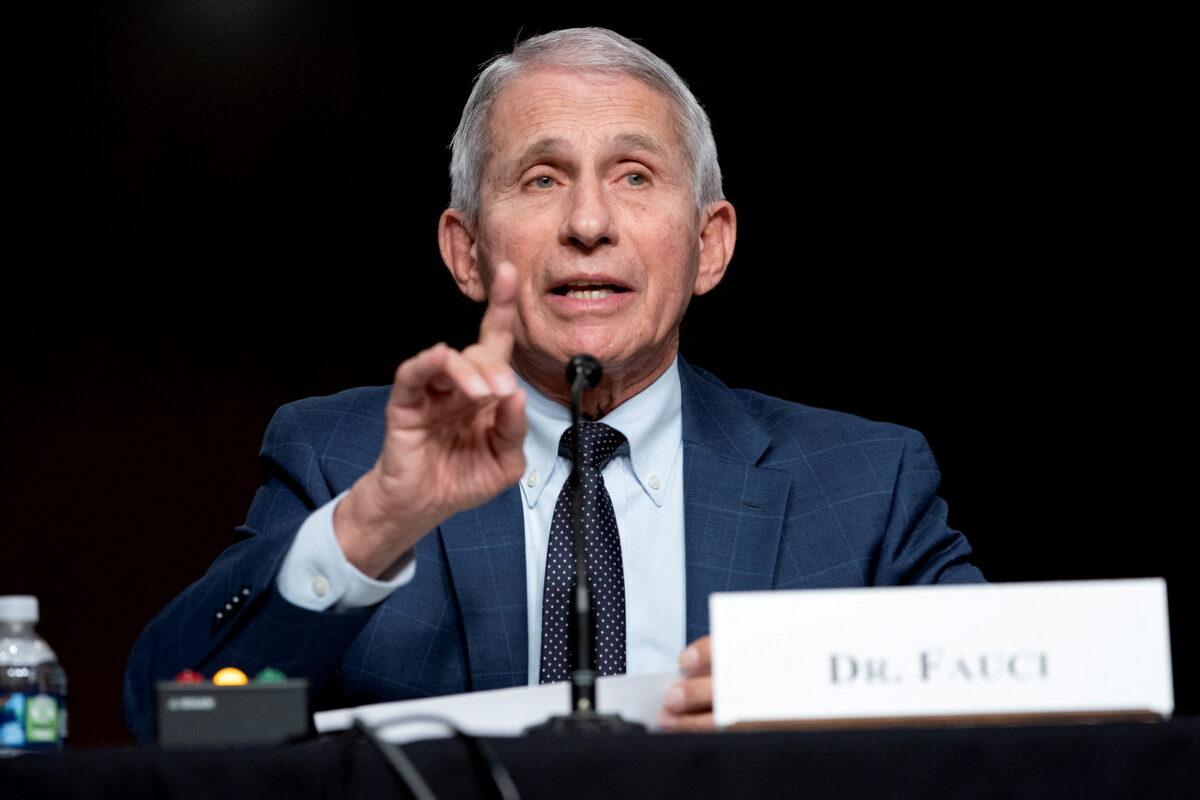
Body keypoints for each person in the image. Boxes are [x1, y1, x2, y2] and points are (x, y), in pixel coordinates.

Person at [123, 27, 983, 743]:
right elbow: (177, 720)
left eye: (634, 176)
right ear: (466, 250)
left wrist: (826, 692)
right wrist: (378, 519)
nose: (587, 223)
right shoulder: (342, 459)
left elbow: (1018, 717)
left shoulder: (866, 484)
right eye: (542, 179)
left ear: (709, 244)